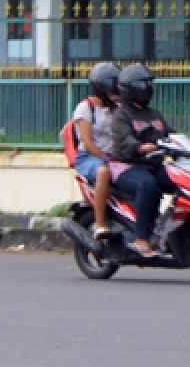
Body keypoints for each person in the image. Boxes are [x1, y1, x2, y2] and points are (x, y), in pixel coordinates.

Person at [109, 63, 176, 258]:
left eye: (149, 84)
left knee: (182, 181)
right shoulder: (120, 115)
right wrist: (139, 147)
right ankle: (141, 238)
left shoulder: (153, 114)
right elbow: (124, 140)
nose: (148, 88)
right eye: (143, 84)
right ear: (131, 89)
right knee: (148, 185)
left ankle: (170, 228)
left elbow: (170, 134)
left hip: (153, 164)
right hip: (126, 166)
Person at [71, 61, 120, 236]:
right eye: (113, 88)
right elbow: (88, 143)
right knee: (103, 172)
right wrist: (107, 159)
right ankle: (100, 223)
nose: (116, 92)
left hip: (114, 156)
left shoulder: (117, 108)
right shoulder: (85, 108)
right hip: (89, 157)